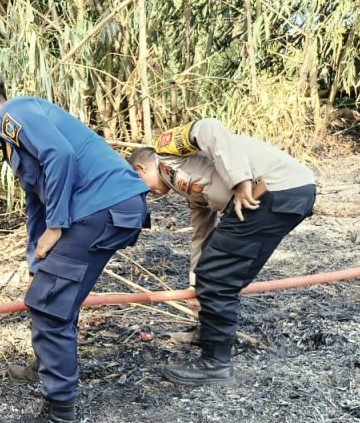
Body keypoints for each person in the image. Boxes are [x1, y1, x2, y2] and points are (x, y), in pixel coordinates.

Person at [0, 73, 150, 423]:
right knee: (51, 292)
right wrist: (36, 258)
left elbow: (60, 156)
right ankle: (49, 364)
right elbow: (37, 201)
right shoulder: (13, 140)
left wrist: (58, 226)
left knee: (48, 306)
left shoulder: (15, 113)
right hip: (109, 207)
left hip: (101, 207)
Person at [130, 118, 316, 385]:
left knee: (218, 279)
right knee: (223, 277)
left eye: (140, 183)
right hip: (288, 195)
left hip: (270, 189)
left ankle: (214, 364)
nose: (146, 193)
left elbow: (209, 129)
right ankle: (211, 333)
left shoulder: (164, 148)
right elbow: (201, 233)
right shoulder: (186, 187)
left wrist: (240, 182)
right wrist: (196, 284)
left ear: (140, 167)